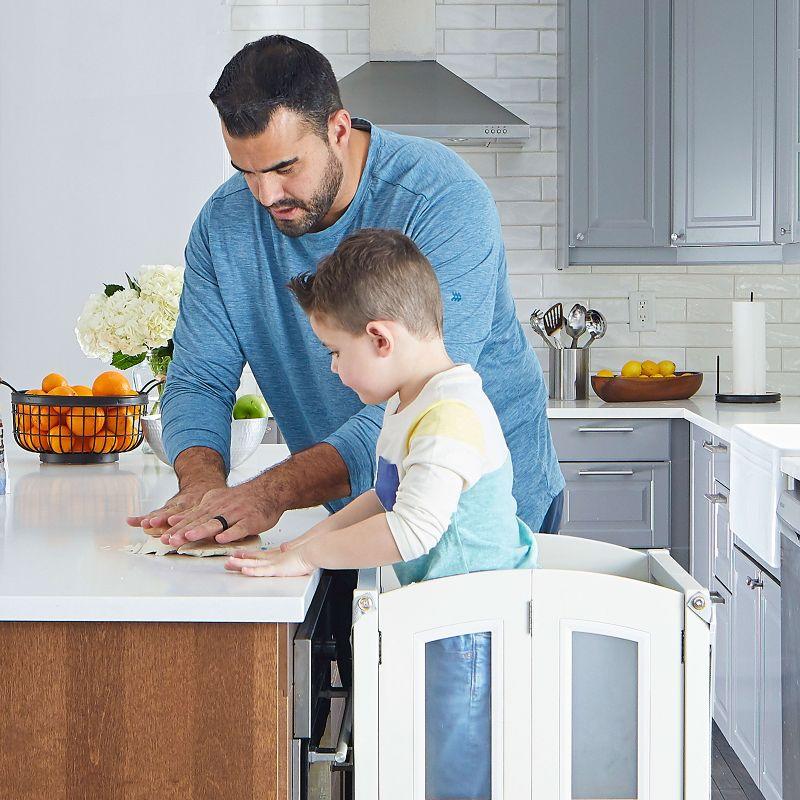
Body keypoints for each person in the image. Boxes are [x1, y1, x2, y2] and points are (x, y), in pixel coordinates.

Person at [126, 34, 563, 687]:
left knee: (474, 723)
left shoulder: (443, 200)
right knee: (390, 717)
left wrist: (270, 496)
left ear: (337, 128)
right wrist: (203, 490)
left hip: (483, 526)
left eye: (284, 167)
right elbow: (197, 379)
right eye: (245, 171)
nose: (265, 194)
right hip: (365, 516)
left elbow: (414, 401)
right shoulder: (224, 226)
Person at [226, 228, 540, 799]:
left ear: (380, 338)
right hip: (444, 617)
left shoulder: (451, 414)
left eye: (336, 352)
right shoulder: (412, 400)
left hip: (470, 628)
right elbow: (383, 497)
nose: (334, 371)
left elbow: (411, 530)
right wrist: (298, 550)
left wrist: (311, 554)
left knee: (457, 775)